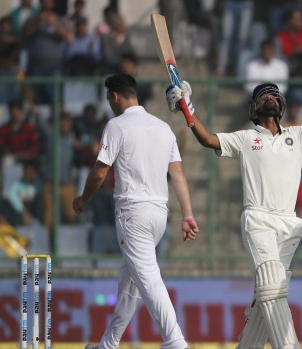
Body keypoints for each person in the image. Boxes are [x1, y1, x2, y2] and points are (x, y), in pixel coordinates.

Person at [165, 62, 302, 349]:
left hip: (289, 224)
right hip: (258, 219)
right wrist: (187, 107)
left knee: (269, 291)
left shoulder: (297, 136)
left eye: (274, 94)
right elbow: (207, 139)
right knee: (270, 286)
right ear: (254, 109)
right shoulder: (245, 138)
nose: (269, 96)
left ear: (281, 105)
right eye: (263, 95)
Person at [74, 74, 198, 349]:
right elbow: (177, 174)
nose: (109, 104)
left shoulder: (117, 126)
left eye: (109, 98)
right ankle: (109, 343)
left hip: (133, 215)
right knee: (130, 283)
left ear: (115, 96)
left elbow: (100, 171)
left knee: (149, 279)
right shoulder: (163, 128)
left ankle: (175, 340)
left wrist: (83, 198)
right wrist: (187, 215)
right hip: (158, 216)